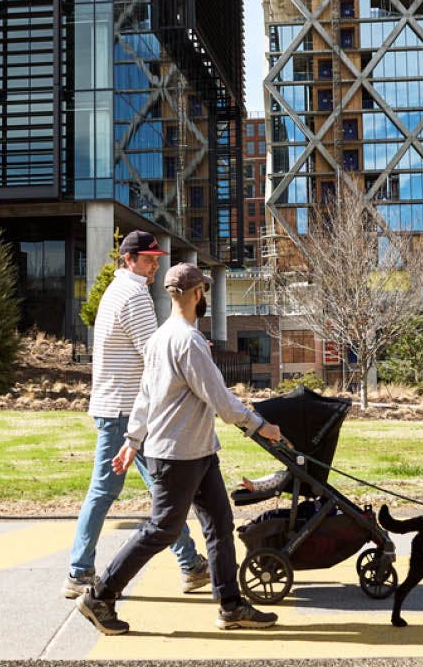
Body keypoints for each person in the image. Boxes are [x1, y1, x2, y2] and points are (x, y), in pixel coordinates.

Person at [76, 262, 284, 634]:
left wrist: (131, 440)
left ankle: (231, 605)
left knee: (219, 524)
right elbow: (220, 400)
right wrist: (260, 425)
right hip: (177, 455)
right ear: (198, 294)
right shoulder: (187, 342)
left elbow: (144, 397)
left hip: (197, 452)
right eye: (203, 289)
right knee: (162, 529)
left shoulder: (161, 337)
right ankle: (100, 597)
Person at [64, 230, 208, 599]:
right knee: (111, 489)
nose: (154, 265)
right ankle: (79, 572)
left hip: (119, 406)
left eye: (156, 259)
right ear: (128, 259)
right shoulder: (134, 296)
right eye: (147, 259)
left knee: (159, 489)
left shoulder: (118, 292)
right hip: (124, 411)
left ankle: (191, 565)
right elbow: (155, 354)